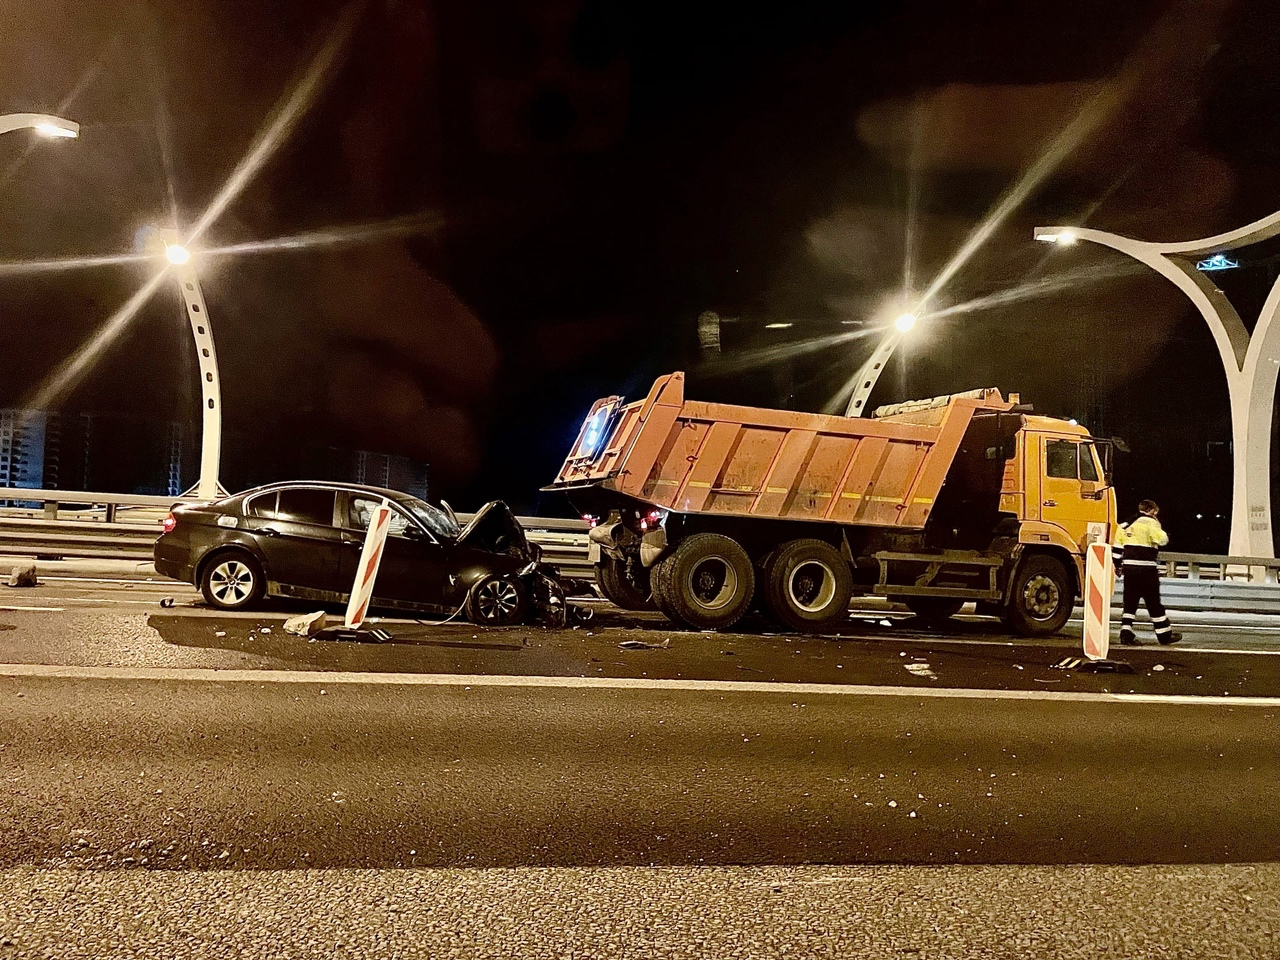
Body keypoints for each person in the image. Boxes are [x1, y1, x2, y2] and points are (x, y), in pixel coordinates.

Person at [1113, 500, 1181, 645]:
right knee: (1154, 603)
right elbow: (1162, 540)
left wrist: (1118, 566)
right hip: (1147, 570)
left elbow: (1117, 549)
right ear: (1152, 511)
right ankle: (1164, 635)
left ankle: (1126, 633)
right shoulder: (1151, 523)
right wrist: (1159, 526)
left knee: (1130, 603)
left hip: (1130, 570)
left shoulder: (1125, 524)